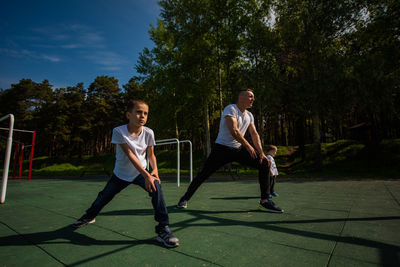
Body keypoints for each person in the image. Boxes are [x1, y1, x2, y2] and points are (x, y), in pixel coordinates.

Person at [72, 99, 179, 248]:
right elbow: (131, 155)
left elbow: (151, 155)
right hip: (121, 174)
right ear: (128, 115)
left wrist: (154, 171)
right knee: (103, 197)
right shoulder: (118, 131)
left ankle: (163, 228)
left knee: (156, 188)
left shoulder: (149, 133)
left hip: (140, 173)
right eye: (139, 112)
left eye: (146, 113)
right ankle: (89, 216)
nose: (142, 116)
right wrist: (147, 175)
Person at [177, 89, 283, 213]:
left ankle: (265, 201)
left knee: (264, 163)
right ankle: (184, 198)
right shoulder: (231, 109)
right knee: (203, 175)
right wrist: (248, 146)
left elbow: (254, 134)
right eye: (250, 96)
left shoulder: (249, 115)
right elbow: (234, 131)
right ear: (241, 97)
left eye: (253, 97)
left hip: (238, 149)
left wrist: (261, 153)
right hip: (221, 149)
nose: (253, 99)